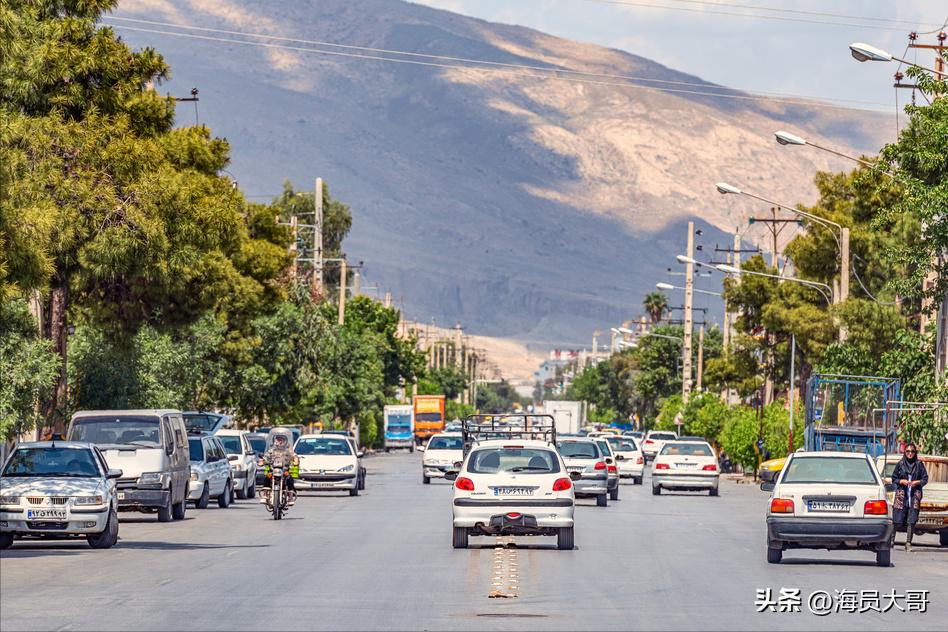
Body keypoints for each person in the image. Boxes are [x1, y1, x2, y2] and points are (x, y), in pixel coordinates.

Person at [891, 443, 928, 552]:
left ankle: (908, 543)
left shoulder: (919, 464)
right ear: (905, 452)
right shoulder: (900, 464)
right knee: (896, 518)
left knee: (912, 520)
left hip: (914, 494)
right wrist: (901, 481)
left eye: (912, 451)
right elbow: (894, 478)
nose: (910, 453)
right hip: (902, 494)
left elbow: (925, 479)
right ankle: (891, 541)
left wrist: (917, 482)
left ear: (915, 453)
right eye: (908, 451)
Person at [259, 430, 298, 505]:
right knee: (267, 477)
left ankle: (290, 497)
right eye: (278, 439)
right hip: (273, 470)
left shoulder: (288, 451)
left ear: (285, 441)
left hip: (284, 470)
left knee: (290, 479)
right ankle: (265, 495)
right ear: (275, 440)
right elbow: (266, 457)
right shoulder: (271, 451)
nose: (279, 441)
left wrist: (296, 460)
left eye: (281, 440)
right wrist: (262, 461)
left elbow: (294, 456)